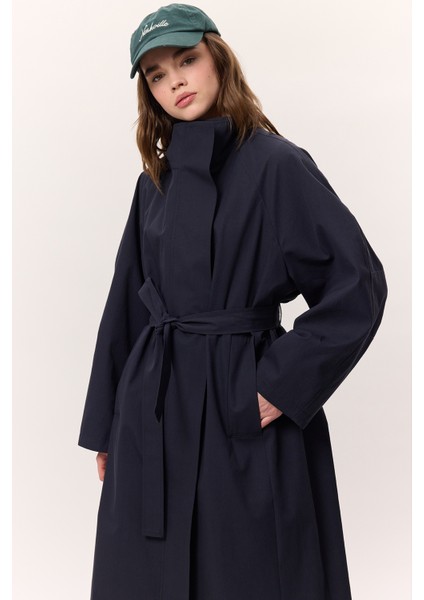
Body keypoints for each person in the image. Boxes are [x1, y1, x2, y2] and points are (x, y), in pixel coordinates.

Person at [77, 4, 388, 599]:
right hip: (154, 410)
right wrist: (108, 428)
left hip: (238, 398)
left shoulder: (277, 165)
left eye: (187, 60)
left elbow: (358, 282)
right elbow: (127, 305)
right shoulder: (154, 183)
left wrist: (280, 383)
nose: (176, 81)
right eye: (157, 74)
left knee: (250, 567)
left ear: (218, 58)